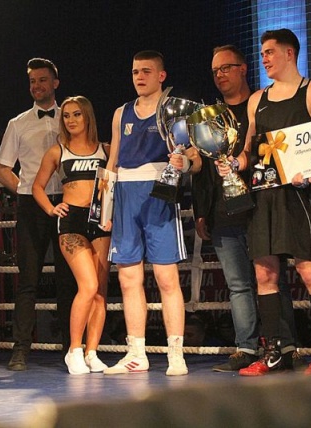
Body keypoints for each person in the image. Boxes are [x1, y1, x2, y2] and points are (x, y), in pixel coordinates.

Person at [219, 29, 311, 375]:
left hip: (299, 195)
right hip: (263, 194)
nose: (264, 58)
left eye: (270, 52)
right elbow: (249, 149)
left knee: (309, 270)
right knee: (264, 273)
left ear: (289, 53)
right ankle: (272, 352)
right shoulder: (257, 99)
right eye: (262, 53)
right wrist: (235, 164)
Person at [192, 45, 299, 372]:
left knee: (273, 280)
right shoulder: (208, 117)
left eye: (226, 67)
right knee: (238, 285)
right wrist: (200, 210)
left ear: (243, 69)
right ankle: (246, 348)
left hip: (262, 208)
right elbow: (203, 168)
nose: (220, 75)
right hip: (223, 212)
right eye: (215, 71)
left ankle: (285, 347)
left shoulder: (264, 104)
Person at [103, 50, 200, 376]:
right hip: (125, 195)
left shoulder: (175, 112)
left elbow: (195, 160)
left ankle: (176, 355)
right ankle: (136, 354)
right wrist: (105, 208)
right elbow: (112, 163)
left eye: (146, 71)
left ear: (161, 76)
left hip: (160, 194)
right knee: (128, 278)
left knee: (166, 277)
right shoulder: (121, 113)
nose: (139, 77)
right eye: (135, 72)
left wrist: (183, 163)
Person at [0, 58, 76, 371]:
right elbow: (2, 167)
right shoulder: (17, 123)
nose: (37, 86)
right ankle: (20, 349)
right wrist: (25, 191)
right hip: (32, 205)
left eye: (43, 80)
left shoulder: (71, 117)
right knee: (27, 280)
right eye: (32, 81)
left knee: (68, 280)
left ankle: (72, 349)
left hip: (68, 202)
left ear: (55, 83)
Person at [32, 96, 111, 374]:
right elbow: (37, 186)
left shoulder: (105, 149)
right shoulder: (57, 151)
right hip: (71, 222)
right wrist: (51, 208)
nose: (71, 120)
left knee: (99, 293)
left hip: (100, 221)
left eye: (77, 114)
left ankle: (92, 352)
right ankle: (74, 350)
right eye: (66, 116)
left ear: (87, 116)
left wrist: (110, 214)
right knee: (87, 286)